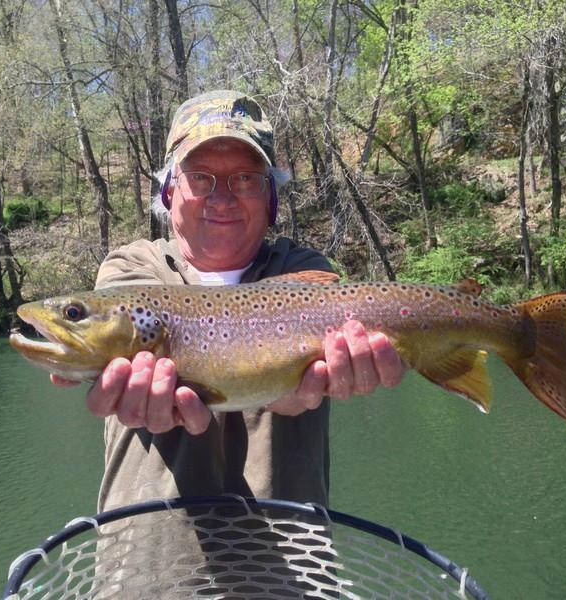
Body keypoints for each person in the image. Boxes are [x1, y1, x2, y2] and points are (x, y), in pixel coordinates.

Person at [52, 90, 406, 512]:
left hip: (289, 551)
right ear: (169, 190)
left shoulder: (303, 271)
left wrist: (294, 389)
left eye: (245, 179)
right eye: (200, 177)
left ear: (270, 197)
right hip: (143, 551)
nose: (221, 198)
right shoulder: (132, 271)